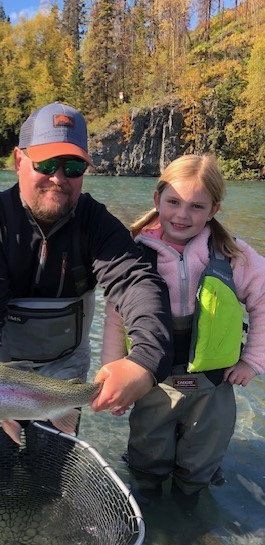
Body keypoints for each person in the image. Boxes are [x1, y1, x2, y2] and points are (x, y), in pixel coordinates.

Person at [0, 101, 174, 441]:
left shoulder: (96, 223)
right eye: (45, 163)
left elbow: (136, 283)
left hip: (65, 370)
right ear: (18, 161)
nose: (58, 178)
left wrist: (145, 362)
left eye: (73, 166)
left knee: (53, 464)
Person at [102, 154, 265, 503]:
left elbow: (264, 302)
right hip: (152, 384)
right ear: (157, 198)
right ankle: (151, 512)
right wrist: (113, 376)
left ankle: (190, 506)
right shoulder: (133, 253)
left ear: (214, 210)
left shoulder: (233, 254)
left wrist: (252, 360)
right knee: (146, 462)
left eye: (196, 206)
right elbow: (116, 318)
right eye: (173, 202)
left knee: (200, 467)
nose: (182, 215)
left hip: (214, 384)